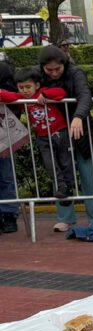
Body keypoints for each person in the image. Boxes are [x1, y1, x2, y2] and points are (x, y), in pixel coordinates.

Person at [38, 44, 93, 233]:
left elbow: (85, 95)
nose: (54, 73)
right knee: (59, 175)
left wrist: (78, 117)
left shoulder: (75, 73)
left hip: (82, 131)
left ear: (64, 64)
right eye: (49, 70)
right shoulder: (39, 76)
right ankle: (65, 218)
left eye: (57, 69)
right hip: (56, 133)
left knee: (90, 176)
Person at [0, 69, 74, 202]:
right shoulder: (21, 99)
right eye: (21, 87)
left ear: (37, 85)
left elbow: (61, 93)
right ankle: (62, 186)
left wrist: (45, 95)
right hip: (42, 137)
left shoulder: (43, 92)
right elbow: (7, 96)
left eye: (28, 87)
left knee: (65, 162)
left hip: (60, 132)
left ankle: (69, 186)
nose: (25, 90)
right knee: (49, 163)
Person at [0, 60, 17, 234]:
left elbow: (14, 94)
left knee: (5, 176)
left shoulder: (4, 69)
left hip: (3, 133)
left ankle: (9, 214)